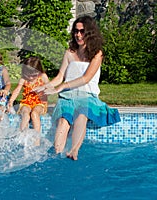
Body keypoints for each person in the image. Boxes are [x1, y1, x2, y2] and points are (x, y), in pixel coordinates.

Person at [34, 15, 121, 160]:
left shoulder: (96, 54)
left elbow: (86, 78)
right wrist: (45, 86)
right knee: (64, 120)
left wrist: (62, 86)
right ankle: (56, 154)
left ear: (90, 33)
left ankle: (74, 151)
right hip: (68, 96)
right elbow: (60, 76)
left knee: (82, 114)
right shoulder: (70, 53)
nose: (78, 35)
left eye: (82, 31)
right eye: (76, 31)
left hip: (87, 96)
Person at [8, 56, 49, 137]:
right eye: (28, 75)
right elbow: (17, 90)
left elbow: (50, 88)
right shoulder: (23, 79)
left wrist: (42, 89)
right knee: (25, 114)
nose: (30, 78)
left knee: (34, 113)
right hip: (26, 103)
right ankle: (22, 137)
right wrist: (11, 101)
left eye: (33, 75)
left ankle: (37, 140)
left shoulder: (43, 77)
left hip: (40, 103)